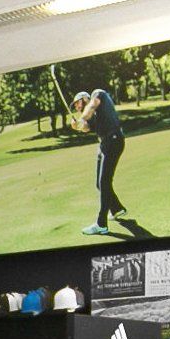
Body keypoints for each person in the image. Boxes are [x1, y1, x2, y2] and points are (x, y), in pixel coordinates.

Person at [71, 87, 129, 235]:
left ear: (85, 99)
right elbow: (86, 127)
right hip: (104, 144)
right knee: (100, 184)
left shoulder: (98, 94)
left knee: (104, 182)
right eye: (76, 106)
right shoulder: (93, 116)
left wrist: (82, 118)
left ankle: (101, 224)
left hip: (113, 140)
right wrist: (77, 126)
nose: (77, 107)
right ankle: (117, 209)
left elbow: (91, 106)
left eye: (78, 103)